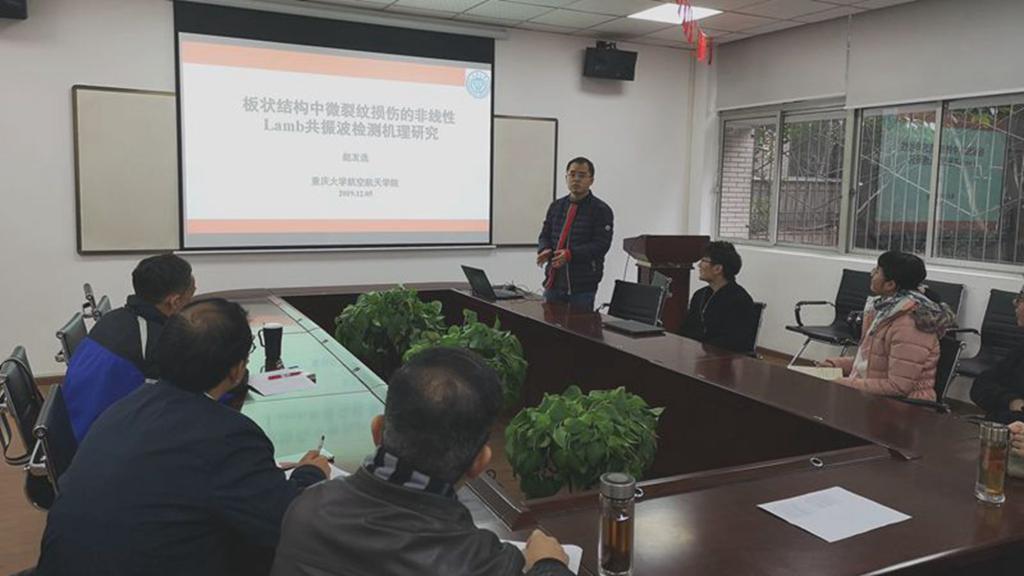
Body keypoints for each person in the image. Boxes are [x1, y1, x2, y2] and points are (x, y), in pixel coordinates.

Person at [36, 299, 329, 576]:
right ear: (237, 370)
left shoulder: (126, 406)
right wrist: (310, 474)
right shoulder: (229, 437)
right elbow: (289, 525)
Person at [271, 347, 574, 576]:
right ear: (480, 462)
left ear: (377, 430)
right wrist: (549, 564)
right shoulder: (486, 563)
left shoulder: (305, 508)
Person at [63, 253, 196, 441]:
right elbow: (191, 393)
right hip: (99, 442)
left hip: (72, 424)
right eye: (190, 297)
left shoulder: (113, 318)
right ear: (174, 302)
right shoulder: (156, 341)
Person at [821, 251, 954, 400]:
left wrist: (841, 383)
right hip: (874, 396)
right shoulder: (885, 311)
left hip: (902, 406)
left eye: (877, 271)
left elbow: (898, 387)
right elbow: (874, 361)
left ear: (890, 284)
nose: (872, 273)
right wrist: (836, 364)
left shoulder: (910, 324)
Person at [537, 156, 614, 311]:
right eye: (572, 174)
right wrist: (545, 249)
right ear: (566, 177)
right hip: (554, 281)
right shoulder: (556, 206)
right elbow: (545, 234)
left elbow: (601, 245)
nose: (576, 179)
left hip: (582, 285)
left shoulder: (601, 210)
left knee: (579, 325)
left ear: (591, 180)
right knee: (548, 323)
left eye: (582, 175)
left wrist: (570, 254)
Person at [678, 241, 756, 353]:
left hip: (721, 358)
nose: (699, 265)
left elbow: (734, 341)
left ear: (718, 269)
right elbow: (686, 329)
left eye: (704, 261)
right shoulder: (699, 295)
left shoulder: (740, 300)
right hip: (696, 354)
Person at [970, 287, 1024, 423]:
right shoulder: (1019, 351)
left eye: (1021, 298)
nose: (1015, 302)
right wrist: (1012, 401)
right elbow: (980, 385)